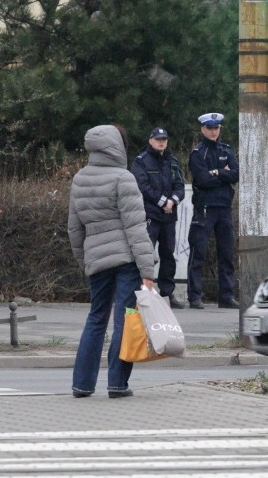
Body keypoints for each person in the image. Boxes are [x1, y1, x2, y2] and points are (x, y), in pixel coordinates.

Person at [68, 124, 158, 399]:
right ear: (117, 146)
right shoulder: (124, 178)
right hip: (126, 260)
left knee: (96, 318)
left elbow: (75, 228)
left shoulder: (79, 179)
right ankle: (117, 384)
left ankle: (82, 385)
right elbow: (136, 228)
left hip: (97, 261)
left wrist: (86, 261)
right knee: (124, 319)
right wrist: (147, 270)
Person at [186, 112, 240, 309]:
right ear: (203, 129)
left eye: (216, 128)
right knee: (198, 252)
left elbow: (236, 174)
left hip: (224, 207)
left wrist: (217, 172)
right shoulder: (198, 153)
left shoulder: (227, 149)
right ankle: (195, 296)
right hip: (205, 207)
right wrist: (223, 173)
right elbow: (202, 180)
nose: (213, 131)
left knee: (226, 254)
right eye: (210, 128)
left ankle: (226, 296)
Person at [130, 127, 186, 309]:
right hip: (150, 214)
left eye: (164, 139)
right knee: (146, 254)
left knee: (168, 254)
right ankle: (141, 293)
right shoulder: (141, 161)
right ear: (150, 140)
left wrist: (172, 201)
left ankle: (167, 293)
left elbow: (180, 186)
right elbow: (142, 186)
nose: (161, 142)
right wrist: (163, 202)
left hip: (169, 216)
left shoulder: (172, 161)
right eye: (158, 139)